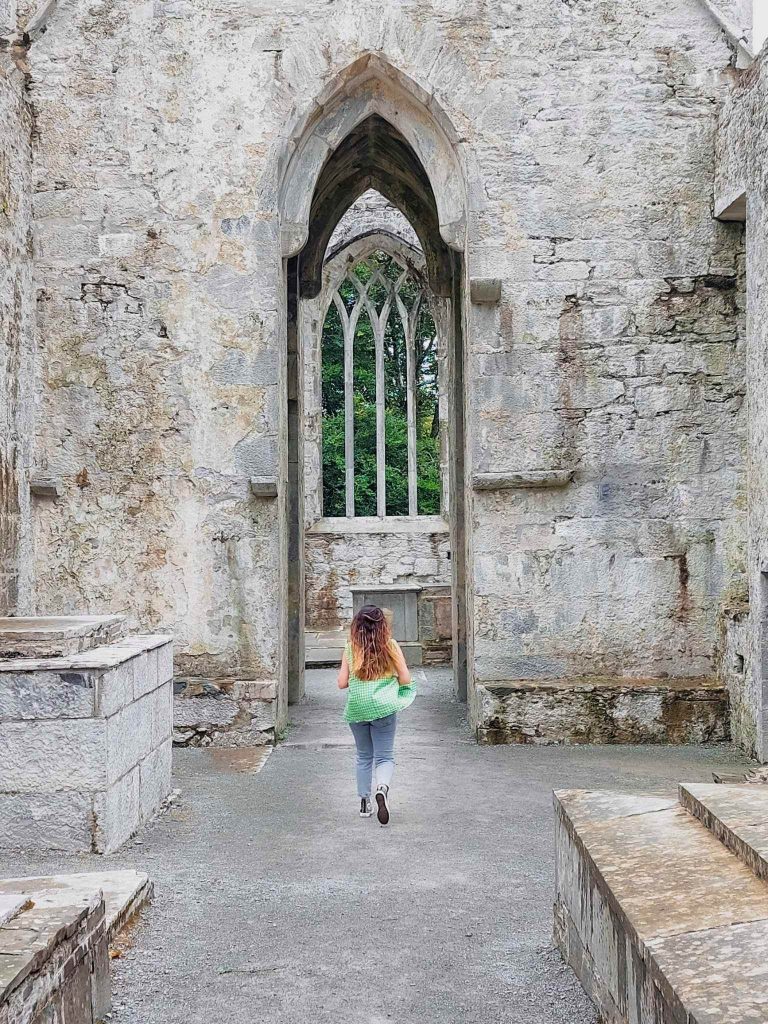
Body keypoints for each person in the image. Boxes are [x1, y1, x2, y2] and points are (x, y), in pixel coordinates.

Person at [337, 604, 415, 825]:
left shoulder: (350, 648)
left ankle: (364, 802)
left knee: (363, 756)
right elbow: (406, 678)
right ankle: (382, 788)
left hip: (358, 708)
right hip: (383, 708)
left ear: (356, 626)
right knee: (384, 756)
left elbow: (342, 683)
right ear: (383, 626)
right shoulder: (390, 646)